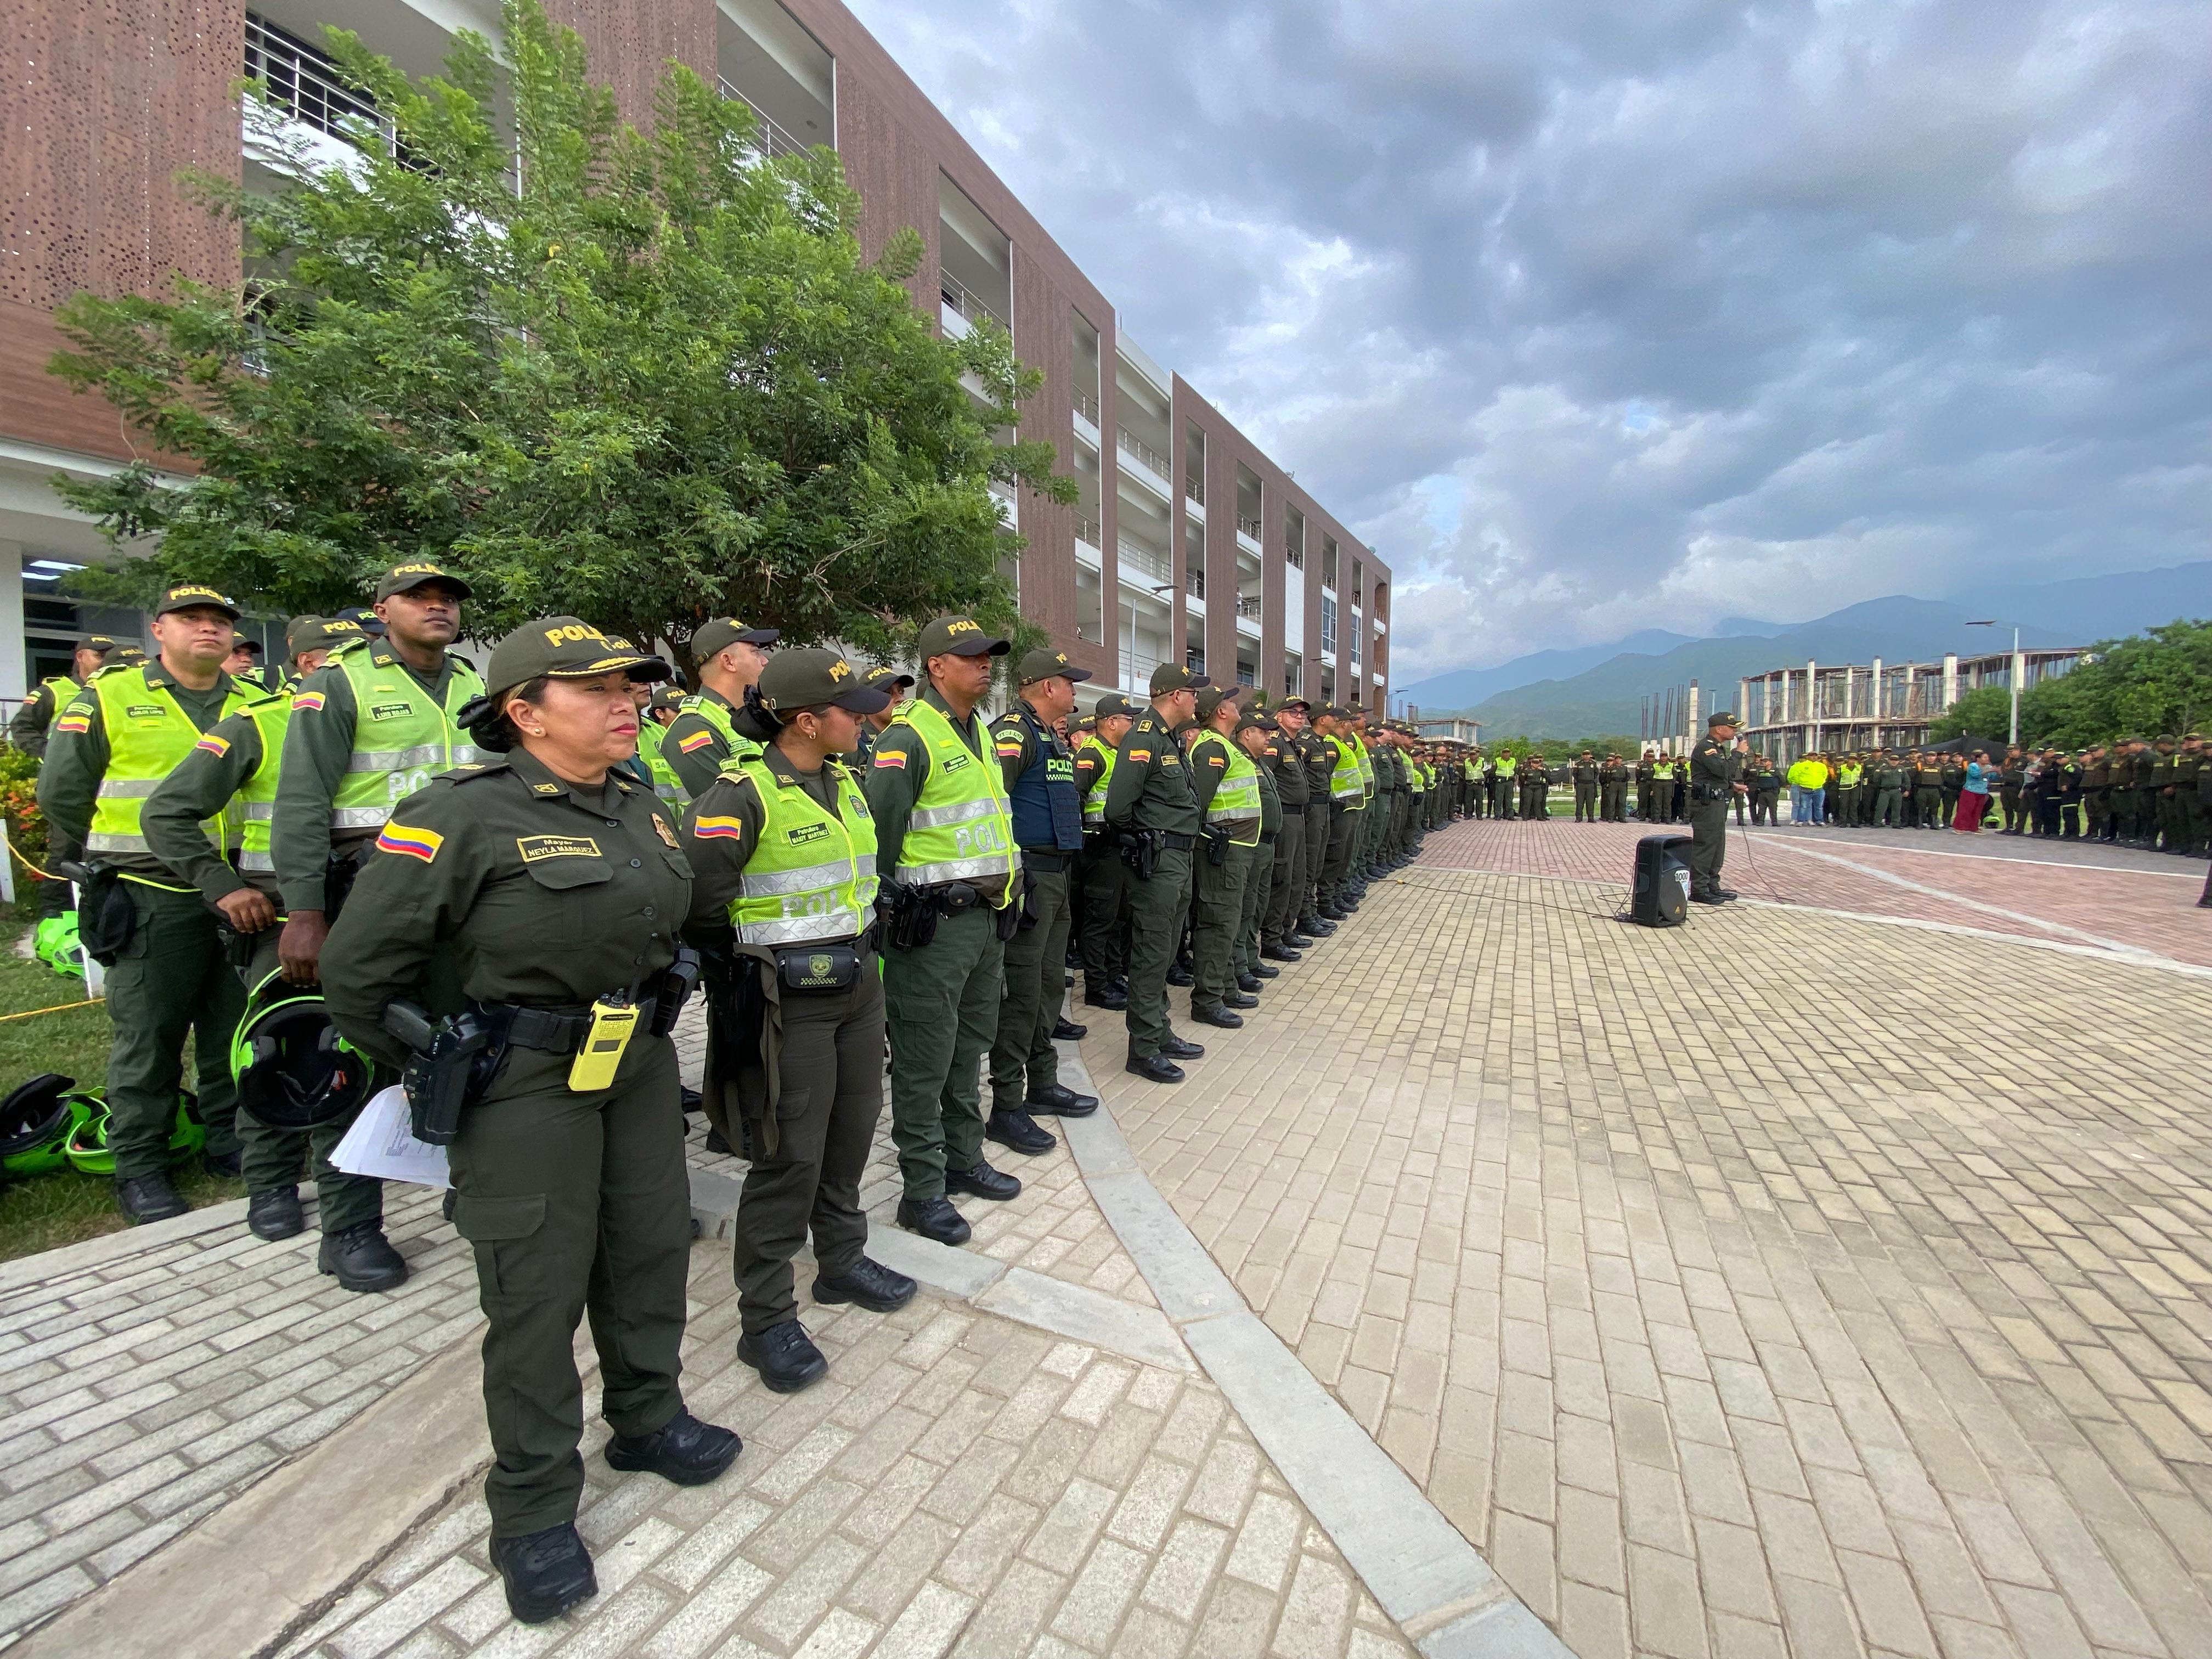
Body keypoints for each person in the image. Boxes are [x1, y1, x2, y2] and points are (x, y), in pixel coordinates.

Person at [321, 618, 738, 1625]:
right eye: (595, 689)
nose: (625, 701)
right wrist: (446, 1070)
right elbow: (356, 973)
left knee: (646, 1252)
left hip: (633, 1064)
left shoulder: (647, 805)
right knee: (535, 1293)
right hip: (522, 1084)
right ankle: (534, 1507)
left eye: (630, 686)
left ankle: (645, 1416)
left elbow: (671, 921)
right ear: (524, 710)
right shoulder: (459, 815)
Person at [679, 647, 917, 1393]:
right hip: (791, 1004)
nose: (867, 716)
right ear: (808, 720)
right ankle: (766, 1317)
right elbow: (699, 900)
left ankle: (841, 1264)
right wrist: (753, 971)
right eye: (852, 708)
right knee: (790, 1158)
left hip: (856, 988)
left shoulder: (843, 780)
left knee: (849, 1139)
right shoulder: (740, 793)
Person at [138, 613, 397, 1280]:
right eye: (348, 656)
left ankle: (348, 1205)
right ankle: (272, 1185)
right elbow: (165, 812)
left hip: (369, 915)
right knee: (286, 1053)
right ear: (312, 665)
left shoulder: (390, 716)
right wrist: (220, 886)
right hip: (282, 920)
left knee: (354, 1067)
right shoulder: (259, 723)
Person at [37, 586, 262, 1222]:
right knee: (149, 1037)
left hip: (239, 893)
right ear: (159, 629)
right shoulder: (109, 697)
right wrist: (110, 856)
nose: (209, 630)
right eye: (192, 619)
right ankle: (141, 1165)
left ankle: (230, 1142)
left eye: (220, 621)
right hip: (149, 893)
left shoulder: (254, 701)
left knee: (231, 1030)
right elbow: (62, 794)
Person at [864, 616, 1023, 1245]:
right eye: (972, 657)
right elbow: (879, 840)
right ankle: (921, 1191)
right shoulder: (909, 736)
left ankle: (965, 1158)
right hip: (934, 928)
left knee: (969, 1047)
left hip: (985, 920)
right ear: (936, 667)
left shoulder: (978, 732)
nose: (986, 665)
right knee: (924, 1061)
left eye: (990, 657)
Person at [272, 561, 486, 988]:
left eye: (447, 600)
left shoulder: (472, 680)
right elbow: (303, 799)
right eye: (416, 598)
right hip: (378, 872)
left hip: (470, 869)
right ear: (382, 612)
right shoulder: (339, 682)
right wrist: (304, 912)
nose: (437, 608)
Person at [985, 646, 1100, 1155]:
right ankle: (1007, 1105)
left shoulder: (1047, 737)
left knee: (1050, 986)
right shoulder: (1013, 732)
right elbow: (995, 801)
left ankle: (1043, 1084)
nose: (1075, 691)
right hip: (1029, 877)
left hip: (1056, 877)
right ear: (1047, 687)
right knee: (1023, 995)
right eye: (1069, 682)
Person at [1106, 664, 1209, 1083]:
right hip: (1159, 859)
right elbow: (1118, 808)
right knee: (1151, 954)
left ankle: (1160, 1031)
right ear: (1174, 696)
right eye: (1193, 692)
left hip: (1179, 858)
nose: (1198, 699)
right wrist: (1144, 839)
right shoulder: (1144, 738)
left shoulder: (1169, 739)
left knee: (1164, 952)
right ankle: (1144, 1049)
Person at [15, 634, 119, 971]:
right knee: (65, 853)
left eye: (108, 654)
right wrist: (53, 756)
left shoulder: (119, 688)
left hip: (110, 786)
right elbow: (22, 728)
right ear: (80, 657)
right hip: (69, 788)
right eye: (98, 654)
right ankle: (55, 919)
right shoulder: (54, 691)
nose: (104, 659)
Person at [1186, 686, 1263, 1029]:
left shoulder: (1226, 746)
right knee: (1218, 925)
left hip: (1238, 852)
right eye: (1230, 703)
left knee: (1229, 923)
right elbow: (1197, 805)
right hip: (1223, 853)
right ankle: (1208, 999)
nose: (1235, 707)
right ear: (1220, 712)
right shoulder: (1212, 748)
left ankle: (1226, 986)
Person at [659, 617, 780, 800]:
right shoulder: (693, 729)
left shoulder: (755, 715)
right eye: (755, 652)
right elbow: (728, 805)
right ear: (729, 662)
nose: (765, 661)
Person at [1075, 693, 1137, 1008]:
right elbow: (1074, 797)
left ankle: (1113, 975)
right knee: (1099, 920)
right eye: (1129, 719)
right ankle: (1096, 986)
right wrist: (1087, 837)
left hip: (1119, 848)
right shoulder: (1093, 752)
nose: (1134, 724)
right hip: (1099, 850)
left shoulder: (1117, 753)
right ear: (1111, 722)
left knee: (1118, 917)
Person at [1262, 696, 1313, 961]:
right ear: (1279, 717)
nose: (1299, 716)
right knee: (1282, 879)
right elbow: (1267, 781)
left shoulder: (1293, 745)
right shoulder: (1275, 744)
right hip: (1284, 818)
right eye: (1292, 712)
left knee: (1296, 877)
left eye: (1303, 713)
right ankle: (1271, 938)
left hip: (1298, 818)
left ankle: (1286, 930)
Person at [1686, 711, 1746, 905]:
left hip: (1717, 801)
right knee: (1706, 845)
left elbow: (1718, 777)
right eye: (1731, 727)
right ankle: (1699, 888)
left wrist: (1732, 786)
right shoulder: (1706, 748)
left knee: (1717, 845)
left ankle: (1712, 884)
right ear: (1719, 729)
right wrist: (1738, 753)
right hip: (1706, 804)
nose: (1735, 731)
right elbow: (1723, 770)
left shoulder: (1718, 748)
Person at [851, 665, 913, 766]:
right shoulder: (854, 743)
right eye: (888, 693)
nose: (900, 698)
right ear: (866, 700)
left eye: (901, 691)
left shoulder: (911, 736)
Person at [1955, 751, 1993, 833]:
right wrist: (1988, 771)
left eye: (1988, 758)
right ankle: (1960, 827)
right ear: (1978, 759)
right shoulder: (1973, 766)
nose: (1987, 759)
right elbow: (1976, 775)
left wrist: (1997, 772)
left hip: (1982, 791)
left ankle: (1974, 827)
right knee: (1966, 809)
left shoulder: (1989, 767)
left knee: (1978, 810)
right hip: (1970, 790)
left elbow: (1992, 777)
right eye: (1985, 757)